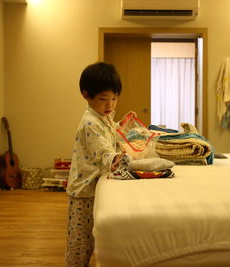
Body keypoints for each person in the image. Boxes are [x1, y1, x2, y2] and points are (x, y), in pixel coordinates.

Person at [66, 62, 136, 266]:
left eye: (114, 98)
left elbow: (109, 132)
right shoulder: (90, 123)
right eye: (104, 99)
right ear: (86, 95)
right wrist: (116, 159)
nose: (110, 105)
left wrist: (121, 124)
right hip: (84, 191)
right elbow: (103, 151)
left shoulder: (102, 116)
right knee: (80, 243)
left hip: (93, 186)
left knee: (95, 236)